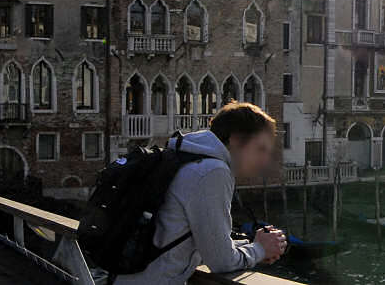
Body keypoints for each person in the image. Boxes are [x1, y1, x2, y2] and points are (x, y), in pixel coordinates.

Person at [117, 102, 289, 285]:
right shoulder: (212, 172)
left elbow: (201, 245)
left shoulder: (185, 158)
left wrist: (254, 245)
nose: (264, 160)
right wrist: (260, 250)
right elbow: (222, 262)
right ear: (236, 140)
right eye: (260, 149)